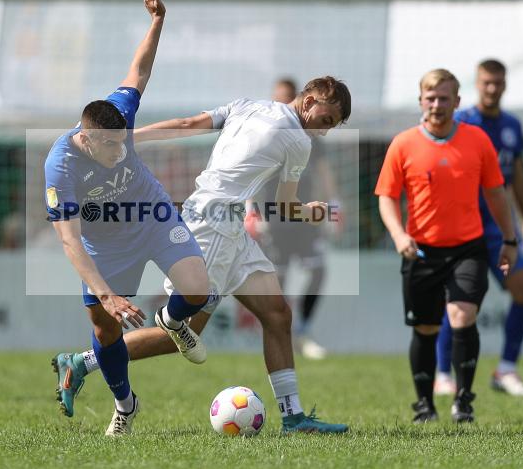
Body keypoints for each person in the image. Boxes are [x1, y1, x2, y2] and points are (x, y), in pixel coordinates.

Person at [54, 75, 352, 434]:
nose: (324, 130)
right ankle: (85, 361)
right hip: (215, 230)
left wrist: (131, 138)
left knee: (277, 315)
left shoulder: (246, 105)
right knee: (180, 333)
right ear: (310, 102)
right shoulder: (298, 140)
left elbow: (186, 124)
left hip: (221, 222)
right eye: (326, 120)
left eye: (331, 126)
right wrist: (313, 212)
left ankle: (293, 418)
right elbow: (286, 205)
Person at [46, 0, 213, 436]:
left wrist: (157, 20)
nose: (121, 152)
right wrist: (107, 296)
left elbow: (139, 70)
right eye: (112, 147)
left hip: (151, 214)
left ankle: (171, 322)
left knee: (198, 288)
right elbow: (69, 240)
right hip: (106, 243)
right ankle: (125, 406)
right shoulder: (61, 168)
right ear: (87, 140)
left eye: (125, 142)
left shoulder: (117, 112)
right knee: (105, 332)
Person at [374, 68, 518, 424]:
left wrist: (510, 238)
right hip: (420, 251)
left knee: (462, 315)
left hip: (468, 248)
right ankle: (425, 404)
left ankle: (463, 400)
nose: (437, 104)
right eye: (431, 98)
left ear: (457, 102)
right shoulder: (403, 144)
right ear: (420, 101)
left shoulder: (477, 140)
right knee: (426, 328)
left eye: (444, 98)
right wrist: (399, 236)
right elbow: (387, 197)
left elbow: (496, 192)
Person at [434, 59, 523, 398]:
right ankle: (442, 374)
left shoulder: (512, 126)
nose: (492, 88)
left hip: (498, 227)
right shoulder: (462, 121)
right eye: (486, 82)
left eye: (498, 82)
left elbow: (517, 176)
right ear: (477, 85)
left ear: (505, 84)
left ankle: (506, 369)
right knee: (459, 300)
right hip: (464, 224)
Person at [247, 77, 343, 360]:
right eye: (278, 97)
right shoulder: (265, 133)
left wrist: (335, 206)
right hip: (274, 217)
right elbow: (249, 172)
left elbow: (324, 172)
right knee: (279, 279)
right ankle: (282, 334)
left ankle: (303, 329)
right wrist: (250, 209)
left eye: (287, 97)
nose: (283, 102)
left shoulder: (311, 135)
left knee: (318, 270)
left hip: (304, 214)